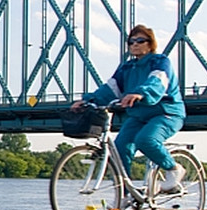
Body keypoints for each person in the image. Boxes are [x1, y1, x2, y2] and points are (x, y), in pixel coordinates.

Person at [71, 25, 187, 192]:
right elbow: (110, 89)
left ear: (150, 44)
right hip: (138, 116)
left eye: (140, 40)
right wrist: (88, 101)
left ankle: (174, 169)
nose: (135, 44)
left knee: (146, 140)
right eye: (131, 41)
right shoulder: (127, 67)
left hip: (166, 113)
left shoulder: (160, 62)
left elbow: (157, 81)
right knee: (119, 149)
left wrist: (140, 93)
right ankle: (126, 195)